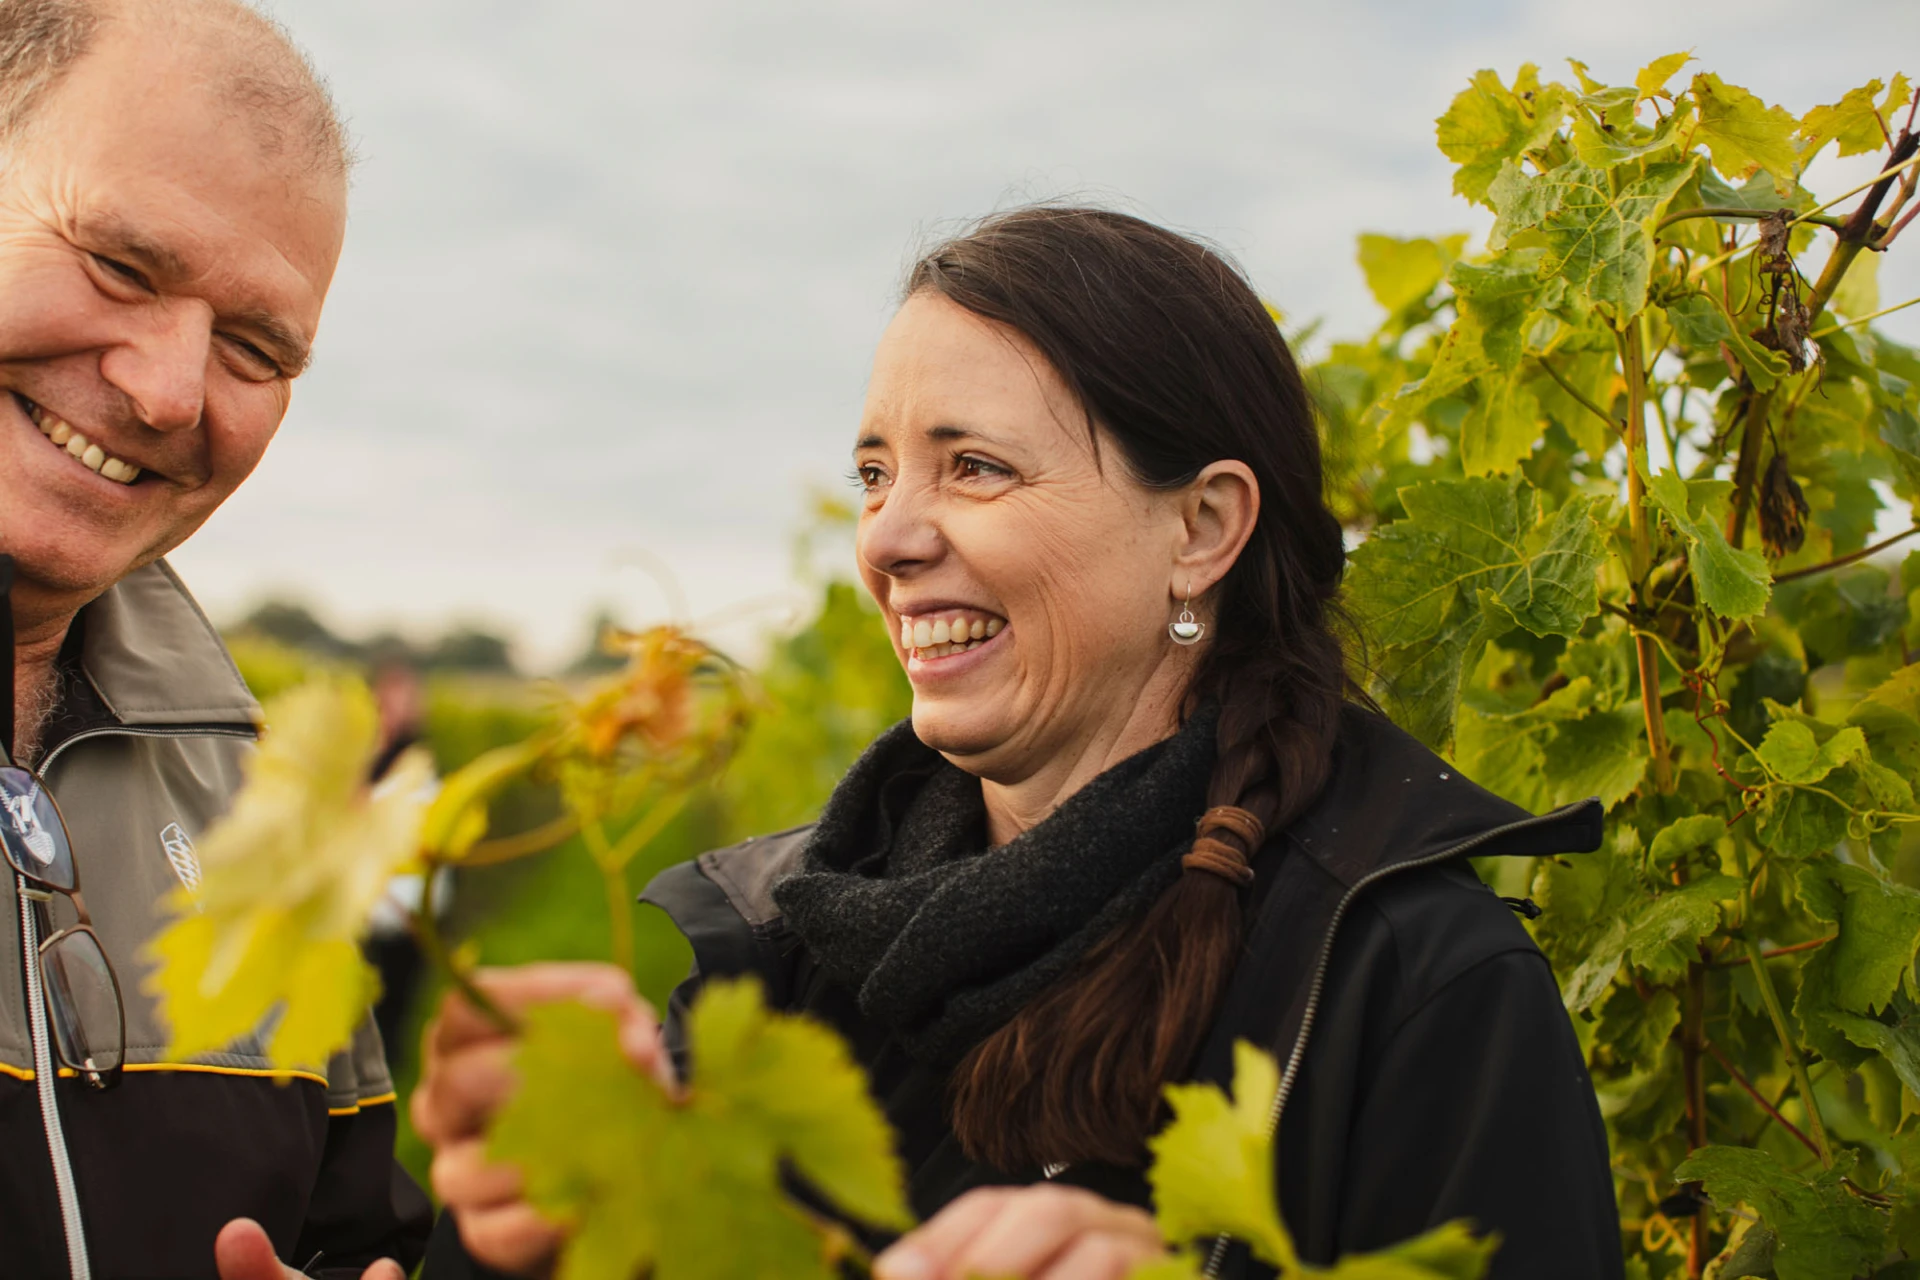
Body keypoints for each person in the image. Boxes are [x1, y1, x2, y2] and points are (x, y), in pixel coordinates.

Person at [410, 207, 1623, 1279]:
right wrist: (526, 1241)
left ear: (1203, 528)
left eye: (975, 467)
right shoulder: (786, 948)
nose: (886, 538)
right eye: (875, 472)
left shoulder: (1415, 981)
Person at [0, 1, 429, 1276]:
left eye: (253, 348)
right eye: (121, 266)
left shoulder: (257, 810)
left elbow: (352, 1234)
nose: (168, 391)